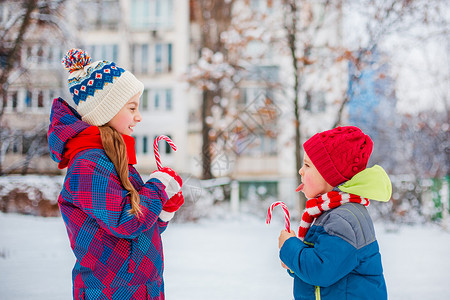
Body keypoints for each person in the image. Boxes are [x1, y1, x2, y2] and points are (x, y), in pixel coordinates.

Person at [48, 49, 184, 299]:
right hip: (110, 293)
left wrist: (162, 214)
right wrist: (156, 187)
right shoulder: (89, 165)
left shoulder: (114, 160)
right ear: (105, 111)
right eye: (131, 108)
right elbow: (126, 222)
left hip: (141, 289)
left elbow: (135, 236)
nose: (138, 117)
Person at [278, 126, 391, 300]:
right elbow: (317, 271)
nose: (301, 171)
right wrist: (294, 261)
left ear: (329, 176)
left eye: (307, 165)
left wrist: (290, 247)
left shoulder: (343, 219)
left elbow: (321, 271)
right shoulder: (330, 213)